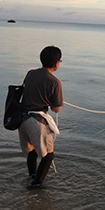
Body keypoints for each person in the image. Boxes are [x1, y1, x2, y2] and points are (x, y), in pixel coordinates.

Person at [18, 46, 63, 187]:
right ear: (56, 63)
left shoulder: (30, 73)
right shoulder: (55, 82)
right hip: (37, 122)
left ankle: (32, 175)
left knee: (32, 151)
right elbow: (56, 109)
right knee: (49, 155)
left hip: (23, 120)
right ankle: (36, 184)